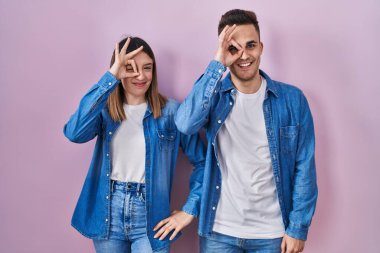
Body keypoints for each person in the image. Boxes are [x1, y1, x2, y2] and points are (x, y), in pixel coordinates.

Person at [173, 9, 318, 253]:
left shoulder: (292, 100)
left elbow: (304, 166)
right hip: (219, 231)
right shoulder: (215, 96)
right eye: (233, 48)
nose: (243, 55)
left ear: (261, 47)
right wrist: (217, 64)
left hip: (272, 234)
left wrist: (297, 228)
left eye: (250, 46)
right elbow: (185, 123)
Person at [63, 36, 205, 253]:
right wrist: (111, 77)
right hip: (107, 213)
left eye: (147, 68)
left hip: (150, 216)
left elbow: (204, 162)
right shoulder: (104, 112)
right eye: (130, 68)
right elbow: (74, 132)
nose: (140, 76)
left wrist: (189, 210)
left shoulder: (171, 113)